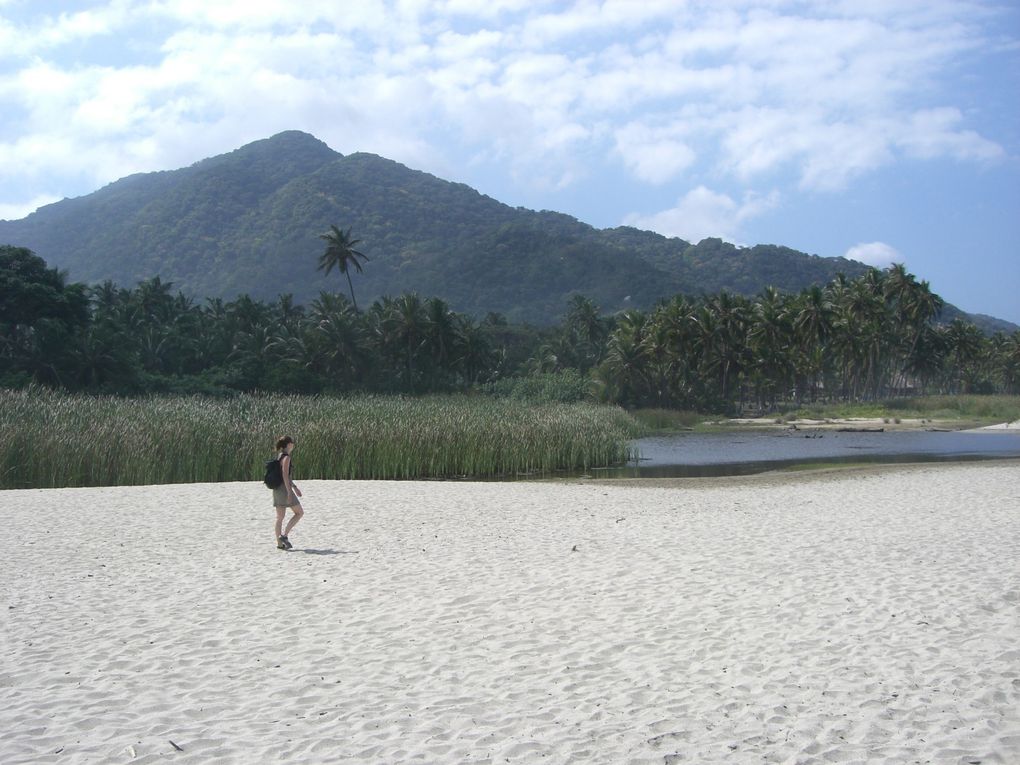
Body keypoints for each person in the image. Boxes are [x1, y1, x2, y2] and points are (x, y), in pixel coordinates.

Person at [272, 436, 303, 550]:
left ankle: (280, 544)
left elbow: (283, 475)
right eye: (292, 443)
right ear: (288, 444)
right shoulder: (287, 458)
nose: (293, 445)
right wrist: (290, 491)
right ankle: (284, 536)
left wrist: (295, 487)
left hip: (277, 488)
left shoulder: (280, 456)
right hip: (284, 489)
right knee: (299, 513)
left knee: (280, 517)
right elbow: (285, 475)